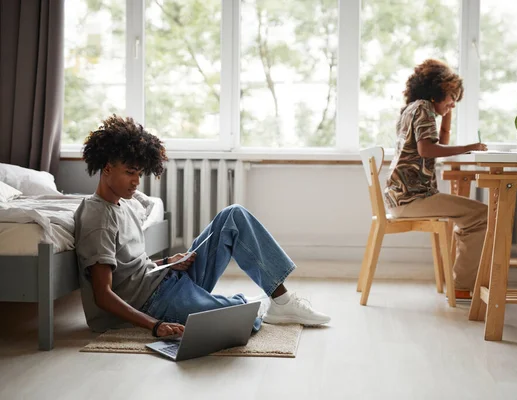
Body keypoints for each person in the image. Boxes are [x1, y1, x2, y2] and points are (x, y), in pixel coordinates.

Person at [74, 115, 330, 338]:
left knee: (234, 215)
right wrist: (155, 326)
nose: (136, 182)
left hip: (166, 279)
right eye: (130, 173)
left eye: (139, 174)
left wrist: (166, 262)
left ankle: (281, 300)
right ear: (107, 169)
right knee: (244, 319)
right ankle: (245, 305)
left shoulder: (125, 203)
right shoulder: (97, 218)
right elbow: (103, 294)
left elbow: (132, 270)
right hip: (153, 303)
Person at [384, 59, 488, 299]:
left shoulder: (412, 108)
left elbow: (438, 144)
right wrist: (470, 147)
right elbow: (427, 150)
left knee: (472, 216)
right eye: (452, 96)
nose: (453, 103)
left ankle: (461, 282)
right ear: (438, 90)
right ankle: (462, 285)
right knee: (481, 215)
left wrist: (447, 115)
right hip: (412, 198)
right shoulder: (423, 110)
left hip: (399, 197)